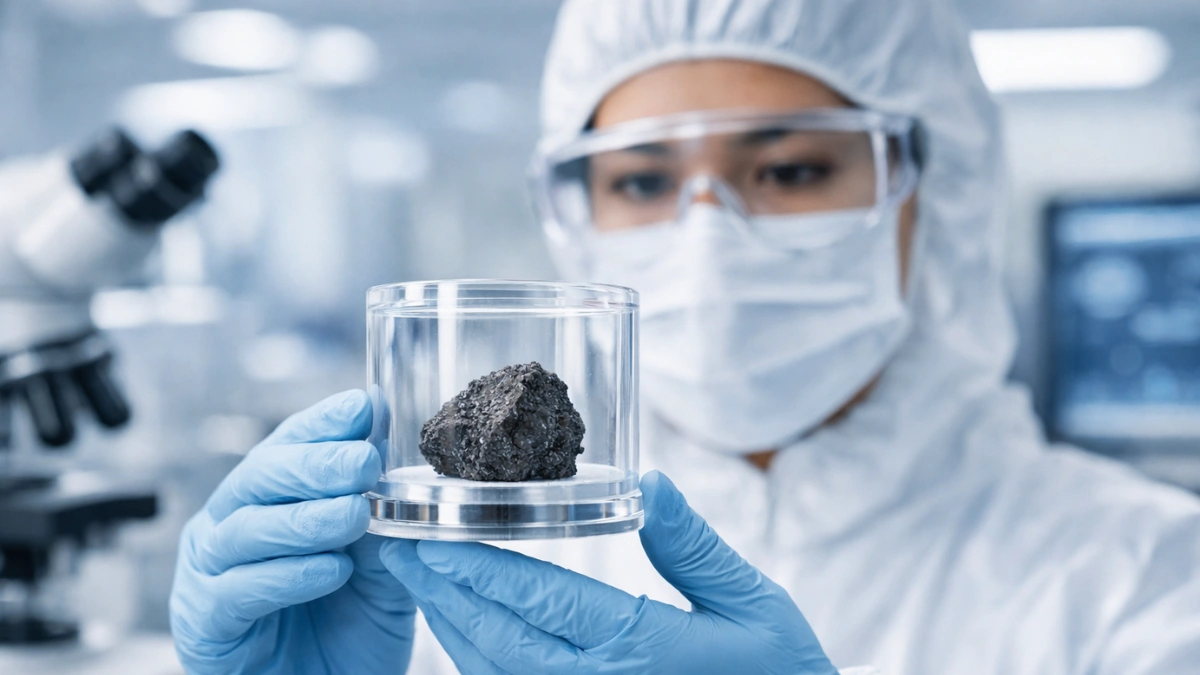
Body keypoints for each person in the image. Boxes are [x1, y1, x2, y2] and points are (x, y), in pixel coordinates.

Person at [170, 0, 1200, 673]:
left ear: (939, 197)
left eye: (790, 170)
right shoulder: (444, 577)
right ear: (576, 216)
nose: (707, 239)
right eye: (642, 180)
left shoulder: (1146, 582)